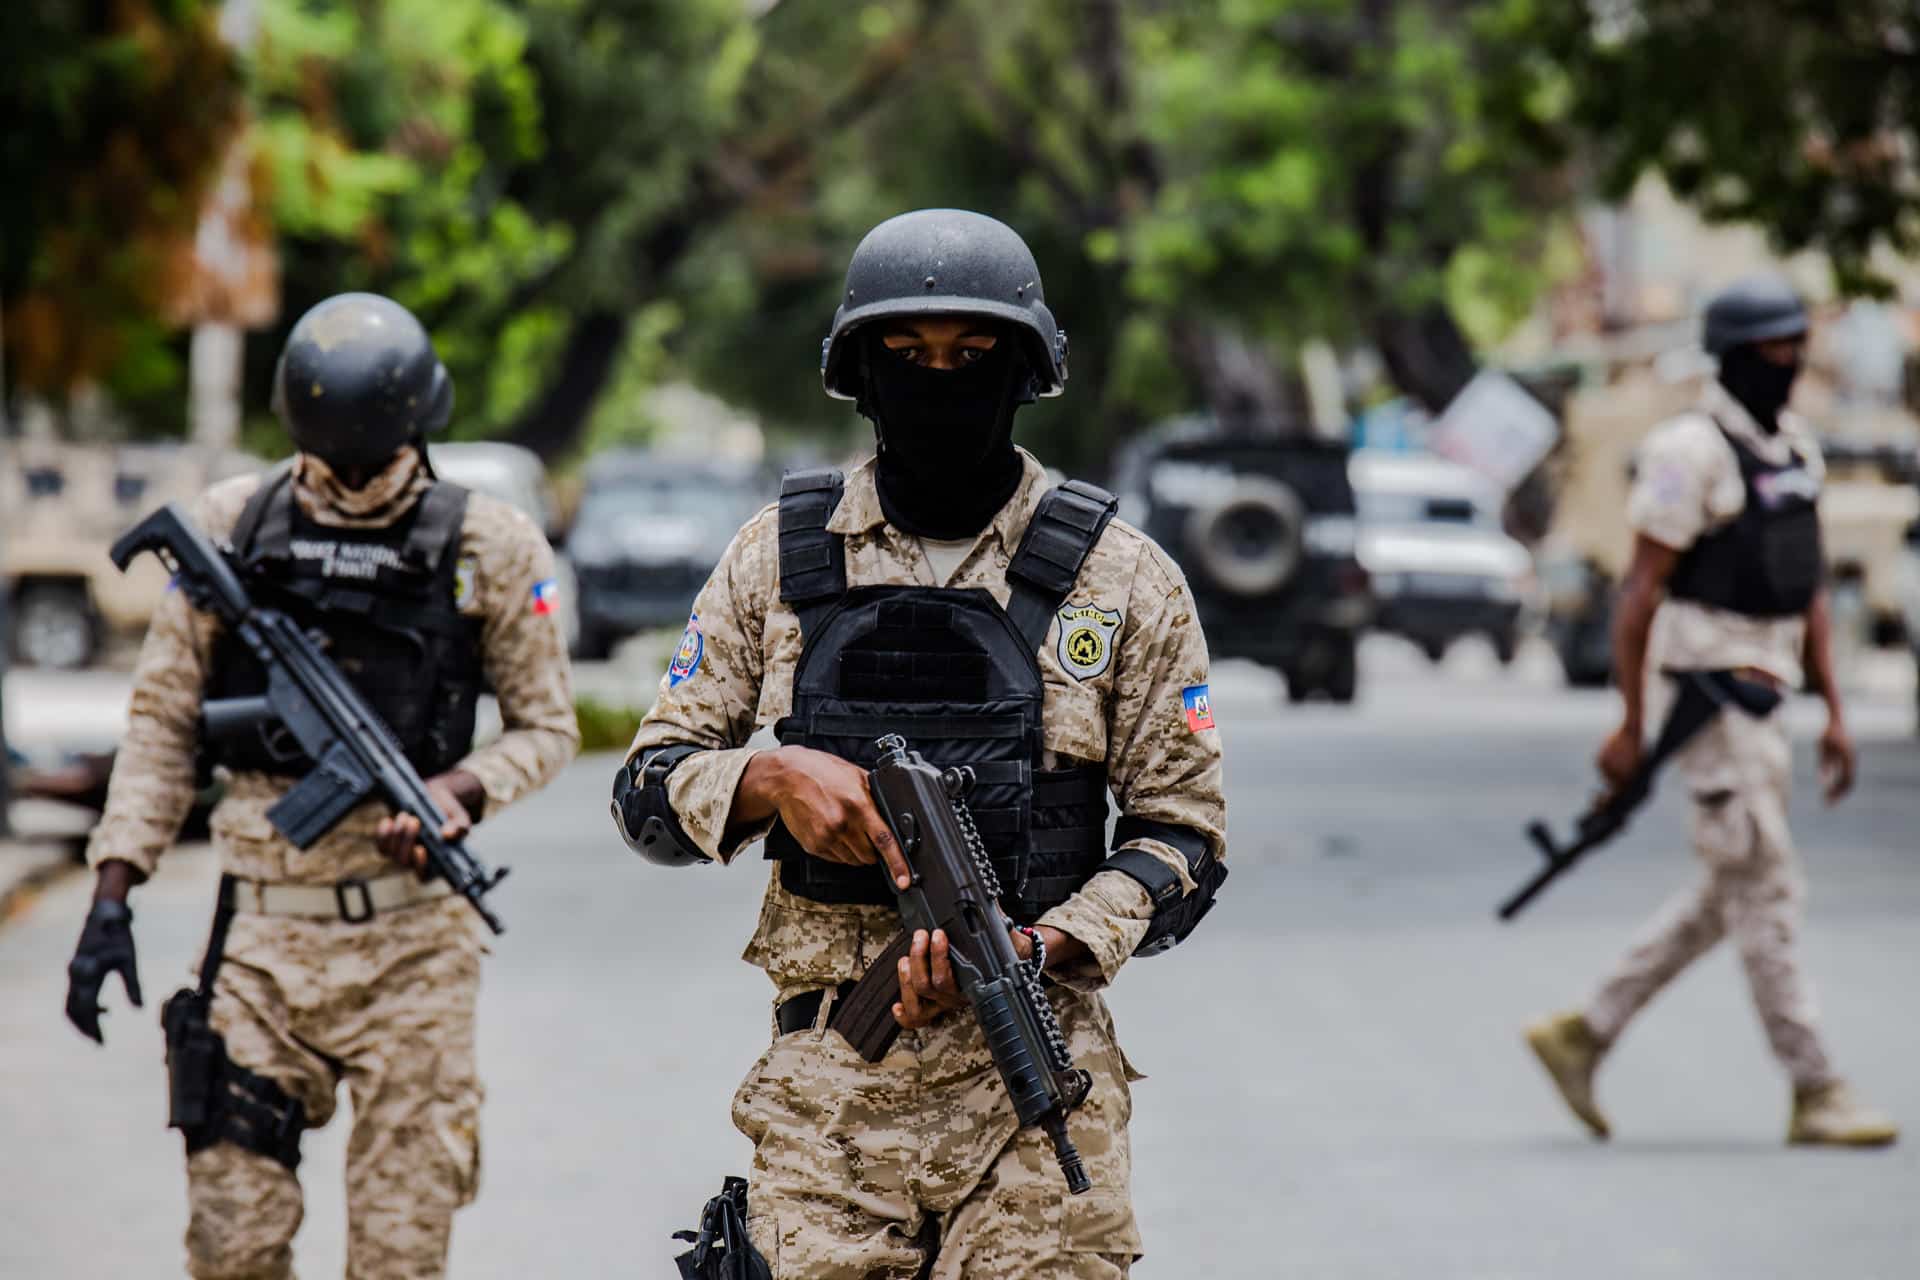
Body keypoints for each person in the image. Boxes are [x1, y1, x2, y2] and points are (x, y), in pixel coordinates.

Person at [614, 209, 1227, 1276]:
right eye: (907, 354)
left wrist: (1043, 946)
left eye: (972, 353)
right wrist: (769, 775)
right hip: (832, 1095)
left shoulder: (1123, 577)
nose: (940, 378)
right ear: (860, 370)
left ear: (1024, 369)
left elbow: (1185, 841)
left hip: (1037, 1088)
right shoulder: (780, 559)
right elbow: (646, 790)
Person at [63, 292, 581, 1278]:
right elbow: (165, 723)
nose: (349, 484)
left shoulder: (491, 543)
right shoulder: (231, 527)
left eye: (371, 460)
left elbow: (547, 727)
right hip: (260, 949)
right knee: (233, 1244)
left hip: (417, 953)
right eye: (333, 461)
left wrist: (461, 788)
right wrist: (111, 890)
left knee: (398, 1254)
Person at [1525, 274, 1897, 1148]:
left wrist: (1835, 711)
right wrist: (1628, 724)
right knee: (1766, 883)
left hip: (1768, 694)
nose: (1788, 362)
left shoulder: (1794, 450)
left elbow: (1802, 588)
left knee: (1730, 885)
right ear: (1733, 357)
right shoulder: (1687, 452)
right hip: (1706, 695)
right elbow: (1639, 594)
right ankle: (1818, 1086)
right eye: (1770, 348)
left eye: (1793, 345)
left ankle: (1585, 1032)